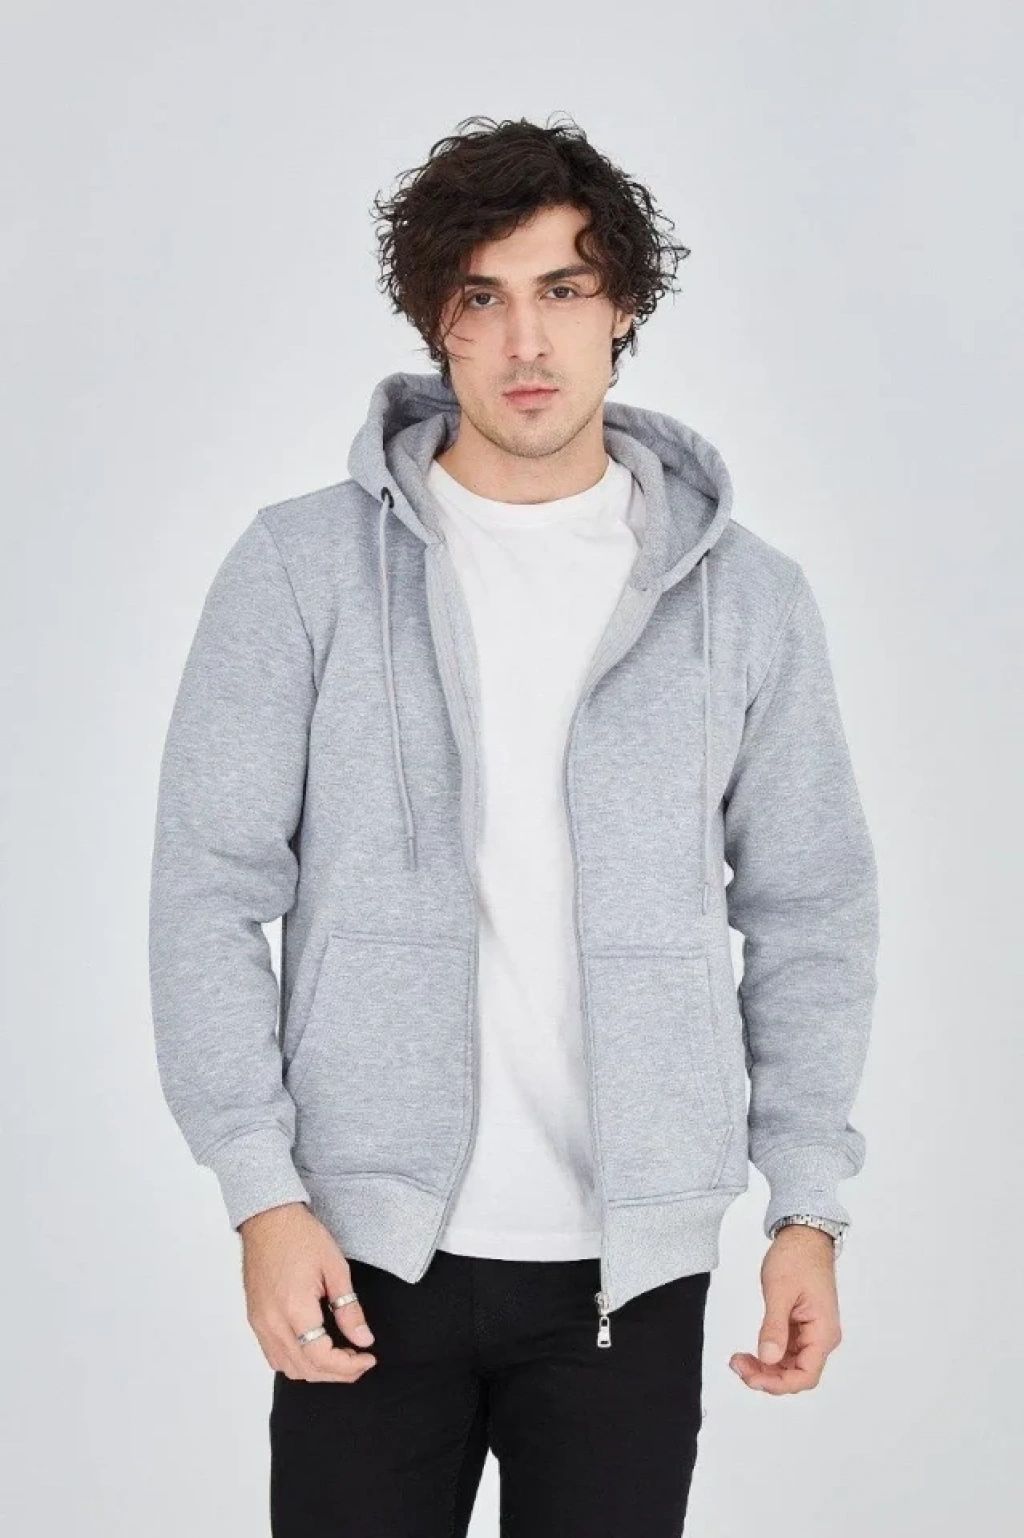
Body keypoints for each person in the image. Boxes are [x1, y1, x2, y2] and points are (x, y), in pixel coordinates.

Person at [148, 114, 879, 1536]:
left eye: (564, 289)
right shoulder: (303, 568)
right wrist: (262, 1195)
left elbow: (811, 909)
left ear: (624, 308)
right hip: (362, 1257)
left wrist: (808, 1206)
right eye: (481, 296)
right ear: (436, 321)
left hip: (630, 1269)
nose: (525, 340)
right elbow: (208, 893)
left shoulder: (747, 599)